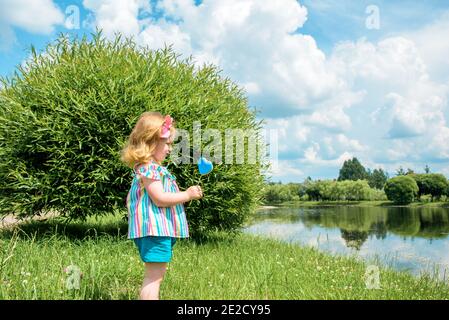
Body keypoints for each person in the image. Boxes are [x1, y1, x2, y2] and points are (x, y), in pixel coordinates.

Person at [121, 111, 203, 300]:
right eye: (166, 143)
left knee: (156, 275)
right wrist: (187, 195)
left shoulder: (150, 168)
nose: (169, 149)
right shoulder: (149, 168)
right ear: (150, 142)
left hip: (157, 230)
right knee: (153, 278)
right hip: (154, 231)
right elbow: (159, 198)